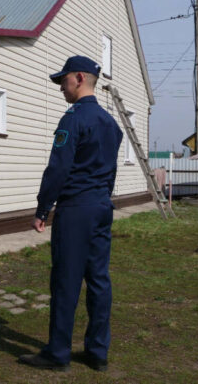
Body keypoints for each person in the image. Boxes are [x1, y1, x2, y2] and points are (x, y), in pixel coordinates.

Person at [19, 56, 123, 373]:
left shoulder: (74, 118)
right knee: (99, 280)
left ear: (79, 78)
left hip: (76, 207)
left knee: (66, 281)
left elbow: (59, 169)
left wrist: (43, 208)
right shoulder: (110, 122)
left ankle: (58, 353)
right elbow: (111, 169)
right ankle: (97, 351)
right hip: (102, 206)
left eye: (63, 80)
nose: (61, 87)